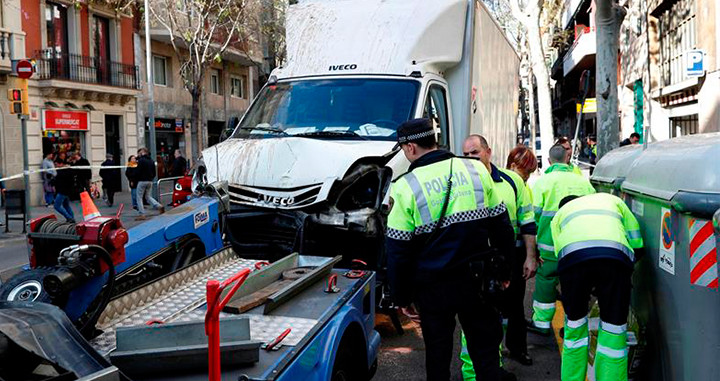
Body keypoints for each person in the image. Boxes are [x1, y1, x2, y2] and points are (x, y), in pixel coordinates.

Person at [386, 119, 515, 381]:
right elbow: (502, 226)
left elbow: (398, 251)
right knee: (486, 354)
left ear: (410, 148)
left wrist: (401, 298)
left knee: (438, 355)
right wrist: (505, 270)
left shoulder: (405, 187)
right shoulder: (477, 170)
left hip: (434, 288)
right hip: (478, 281)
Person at [460, 136, 538, 377]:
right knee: (476, 315)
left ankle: (511, 352)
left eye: (475, 153)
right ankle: (478, 369)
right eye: (467, 155)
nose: (471, 158)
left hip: (508, 256)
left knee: (513, 308)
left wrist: (530, 256)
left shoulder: (512, 181)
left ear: (488, 152)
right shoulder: (461, 182)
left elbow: (527, 222)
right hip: (475, 258)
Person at [551, 193, 644, 381]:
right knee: (614, 330)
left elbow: (560, 254)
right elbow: (637, 243)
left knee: (575, 327)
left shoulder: (559, 216)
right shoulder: (611, 200)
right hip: (614, 260)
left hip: (574, 262)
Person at [529, 145, 595, 335]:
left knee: (546, 281)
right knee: (575, 285)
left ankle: (541, 323)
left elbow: (533, 217)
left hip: (549, 247)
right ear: (567, 159)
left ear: (549, 161)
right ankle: (572, 325)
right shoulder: (583, 182)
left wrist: (532, 250)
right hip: (577, 246)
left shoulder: (542, 183)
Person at [136, 147, 164, 219]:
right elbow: (154, 172)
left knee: (139, 197)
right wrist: (151, 178)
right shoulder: (151, 160)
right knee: (148, 196)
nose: (138, 154)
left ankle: (142, 214)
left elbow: (138, 171)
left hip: (142, 181)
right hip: (149, 181)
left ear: (143, 152)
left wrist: (137, 178)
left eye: (139, 153)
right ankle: (159, 206)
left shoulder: (141, 160)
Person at [53, 158, 76, 223]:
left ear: (61, 164)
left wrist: (53, 181)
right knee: (66, 205)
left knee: (56, 206)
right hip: (67, 191)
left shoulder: (61, 171)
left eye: (56, 164)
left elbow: (58, 181)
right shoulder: (69, 170)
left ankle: (69, 218)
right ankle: (72, 218)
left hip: (62, 191)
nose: (55, 166)